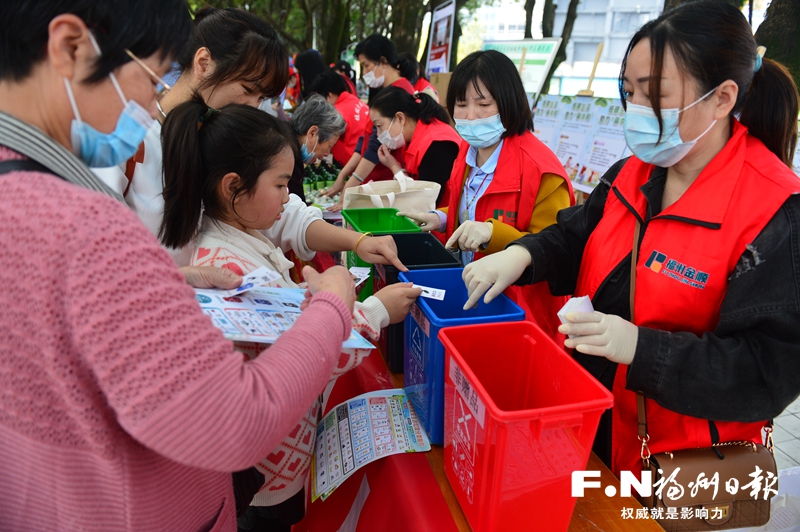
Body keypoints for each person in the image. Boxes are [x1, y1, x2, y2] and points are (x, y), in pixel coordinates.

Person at [0, 1, 361, 530]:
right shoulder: (88, 224)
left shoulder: (24, 196)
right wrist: (331, 306)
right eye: (149, 77)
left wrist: (168, 280)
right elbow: (236, 421)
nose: (151, 103)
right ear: (71, 48)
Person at [461, 1, 800, 478]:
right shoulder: (631, 173)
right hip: (589, 423)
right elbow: (575, 236)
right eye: (629, 91)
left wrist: (642, 349)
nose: (636, 109)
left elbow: (766, 371)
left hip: (676, 463)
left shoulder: (774, 211)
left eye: (654, 93)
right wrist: (520, 254)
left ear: (722, 98)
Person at [159, 97, 422, 531]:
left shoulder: (236, 233)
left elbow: (275, 323)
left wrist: (306, 290)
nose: (288, 197)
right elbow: (305, 361)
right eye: (281, 185)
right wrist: (376, 310)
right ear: (232, 187)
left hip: (273, 460)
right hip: (267, 474)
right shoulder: (226, 268)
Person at [94, 7, 406, 276]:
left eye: (261, 98)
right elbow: (98, 254)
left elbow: (283, 214)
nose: (253, 107)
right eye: (247, 90)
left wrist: (357, 241)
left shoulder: (226, 136)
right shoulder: (122, 139)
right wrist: (180, 277)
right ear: (203, 63)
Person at [400, 50, 573, 339]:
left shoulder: (543, 172)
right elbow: (472, 210)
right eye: (461, 104)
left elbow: (554, 250)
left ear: (509, 102)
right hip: (471, 291)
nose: (470, 116)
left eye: (483, 104)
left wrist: (493, 234)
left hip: (519, 311)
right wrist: (439, 218)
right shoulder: (467, 152)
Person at [323, 34, 416, 206]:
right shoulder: (384, 91)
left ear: (383, 61)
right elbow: (365, 139)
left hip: (384, 179)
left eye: (366, 66)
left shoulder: (398, 93)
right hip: (374, 177)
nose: (365, 73)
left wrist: (352, 182)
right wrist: (345, 175)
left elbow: (375, 143)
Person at [368, 86, 461, 204]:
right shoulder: (411, 139)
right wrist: (393, 165)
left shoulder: (437, 144)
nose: (378, 134)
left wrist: (395, 168)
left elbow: (426, 200)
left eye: (379, 126)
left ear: (400, 118)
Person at [309, 70, 370, 168]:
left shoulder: (336, 113)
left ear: (329, 96)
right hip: (367, 163)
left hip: (352, 167)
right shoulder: (356, 101)